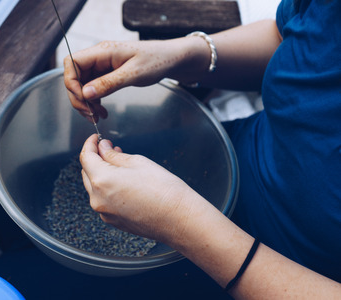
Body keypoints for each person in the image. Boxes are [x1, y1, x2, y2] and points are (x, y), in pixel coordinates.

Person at [63, 0, 341, 298]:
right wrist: (185, 54)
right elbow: (290, 38)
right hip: (229, 159)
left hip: (269, 275)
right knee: (44, 185)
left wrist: (181, 222)